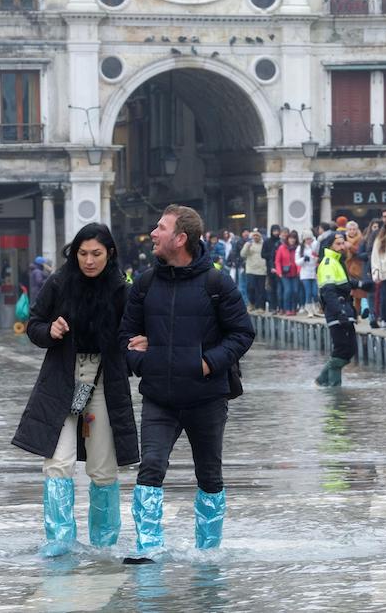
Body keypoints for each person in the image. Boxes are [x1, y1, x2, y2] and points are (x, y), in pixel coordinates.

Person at [119, 204, 255, 557]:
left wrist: (208, 363)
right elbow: (124, 336)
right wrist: (143, 361)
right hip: (159, 397)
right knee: (150, 467)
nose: (152, 233)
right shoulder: (146, 283)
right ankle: (148, 550)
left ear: (180, 238)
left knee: (209, 475)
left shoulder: (217, 283)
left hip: (207, 397)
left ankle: (208, 555)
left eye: (160, 228)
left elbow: (242, 333)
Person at [11, 223, 140, 556]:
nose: (89, 261)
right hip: (61, 381)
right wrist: (49, 330)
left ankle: (105, 543)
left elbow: (133, 333)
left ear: (109, 254)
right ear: (74, 253)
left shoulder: (121, 288)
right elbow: (34, 324)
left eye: (96, 254)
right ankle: (59, 541)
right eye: (83, 253)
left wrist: (137, 347)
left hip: (102, 382)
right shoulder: (58, 283)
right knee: (57, 461)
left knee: (102, 465)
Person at [316, 233, 359, 387]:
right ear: (330, 246)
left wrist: (359, 284)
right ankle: (333, 387)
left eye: (343, 243)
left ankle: (322, 380)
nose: (342, 247)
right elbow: (328, 292)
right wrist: (340, 313)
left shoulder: (337, 261)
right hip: (337, 312)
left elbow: (343, 284)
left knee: (350, 349)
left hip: (345, 310)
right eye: (338, 244)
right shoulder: (328, 262)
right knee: (342, 349)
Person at [274, 230, 301, 316]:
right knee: (288, 291)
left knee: (295, 291)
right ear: (288, 239)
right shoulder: (282, 248)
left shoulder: (298, 248)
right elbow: (277, 261)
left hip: (295, 273)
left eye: (294, 238)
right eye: (290, 238)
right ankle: (287, 309)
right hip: (285, 273)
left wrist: (299, 270)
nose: (292, 240)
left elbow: (300, 259)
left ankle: (294, 308)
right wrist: (279, 272)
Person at [295, 230, 320, 317]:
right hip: (305, 273)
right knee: (308, 292)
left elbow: (317, 255)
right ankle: (309, 310)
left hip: (314, 272)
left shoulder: (314, 246)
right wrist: (303, 259)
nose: (309, 241)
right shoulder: (300, 248)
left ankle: (317, 308)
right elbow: (297, 262)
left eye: (310, 239)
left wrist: (315, 258)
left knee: (315, 292)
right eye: (307, 239)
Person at [241, 230, 267, 312]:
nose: (256, 237)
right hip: (250, 269)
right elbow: (242, 254)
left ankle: (261, 306)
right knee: (250, 288)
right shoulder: (248, 244)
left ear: (260, 236)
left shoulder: (264, 244)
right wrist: (247, 247)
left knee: (261, 289)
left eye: (257, 236)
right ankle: (251, 303)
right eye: (254, 236)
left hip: (262, 270)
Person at [261, 225, 282, 313]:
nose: (276, 233)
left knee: (280, 288)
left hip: (280, 268)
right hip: (270, 268)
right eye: (274, 231)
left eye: (277, 231)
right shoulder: (267, 242)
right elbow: (262, 254)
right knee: (272, 288)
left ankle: (280, 306)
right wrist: (272, 255)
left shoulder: (281, 242)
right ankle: (272, 306)